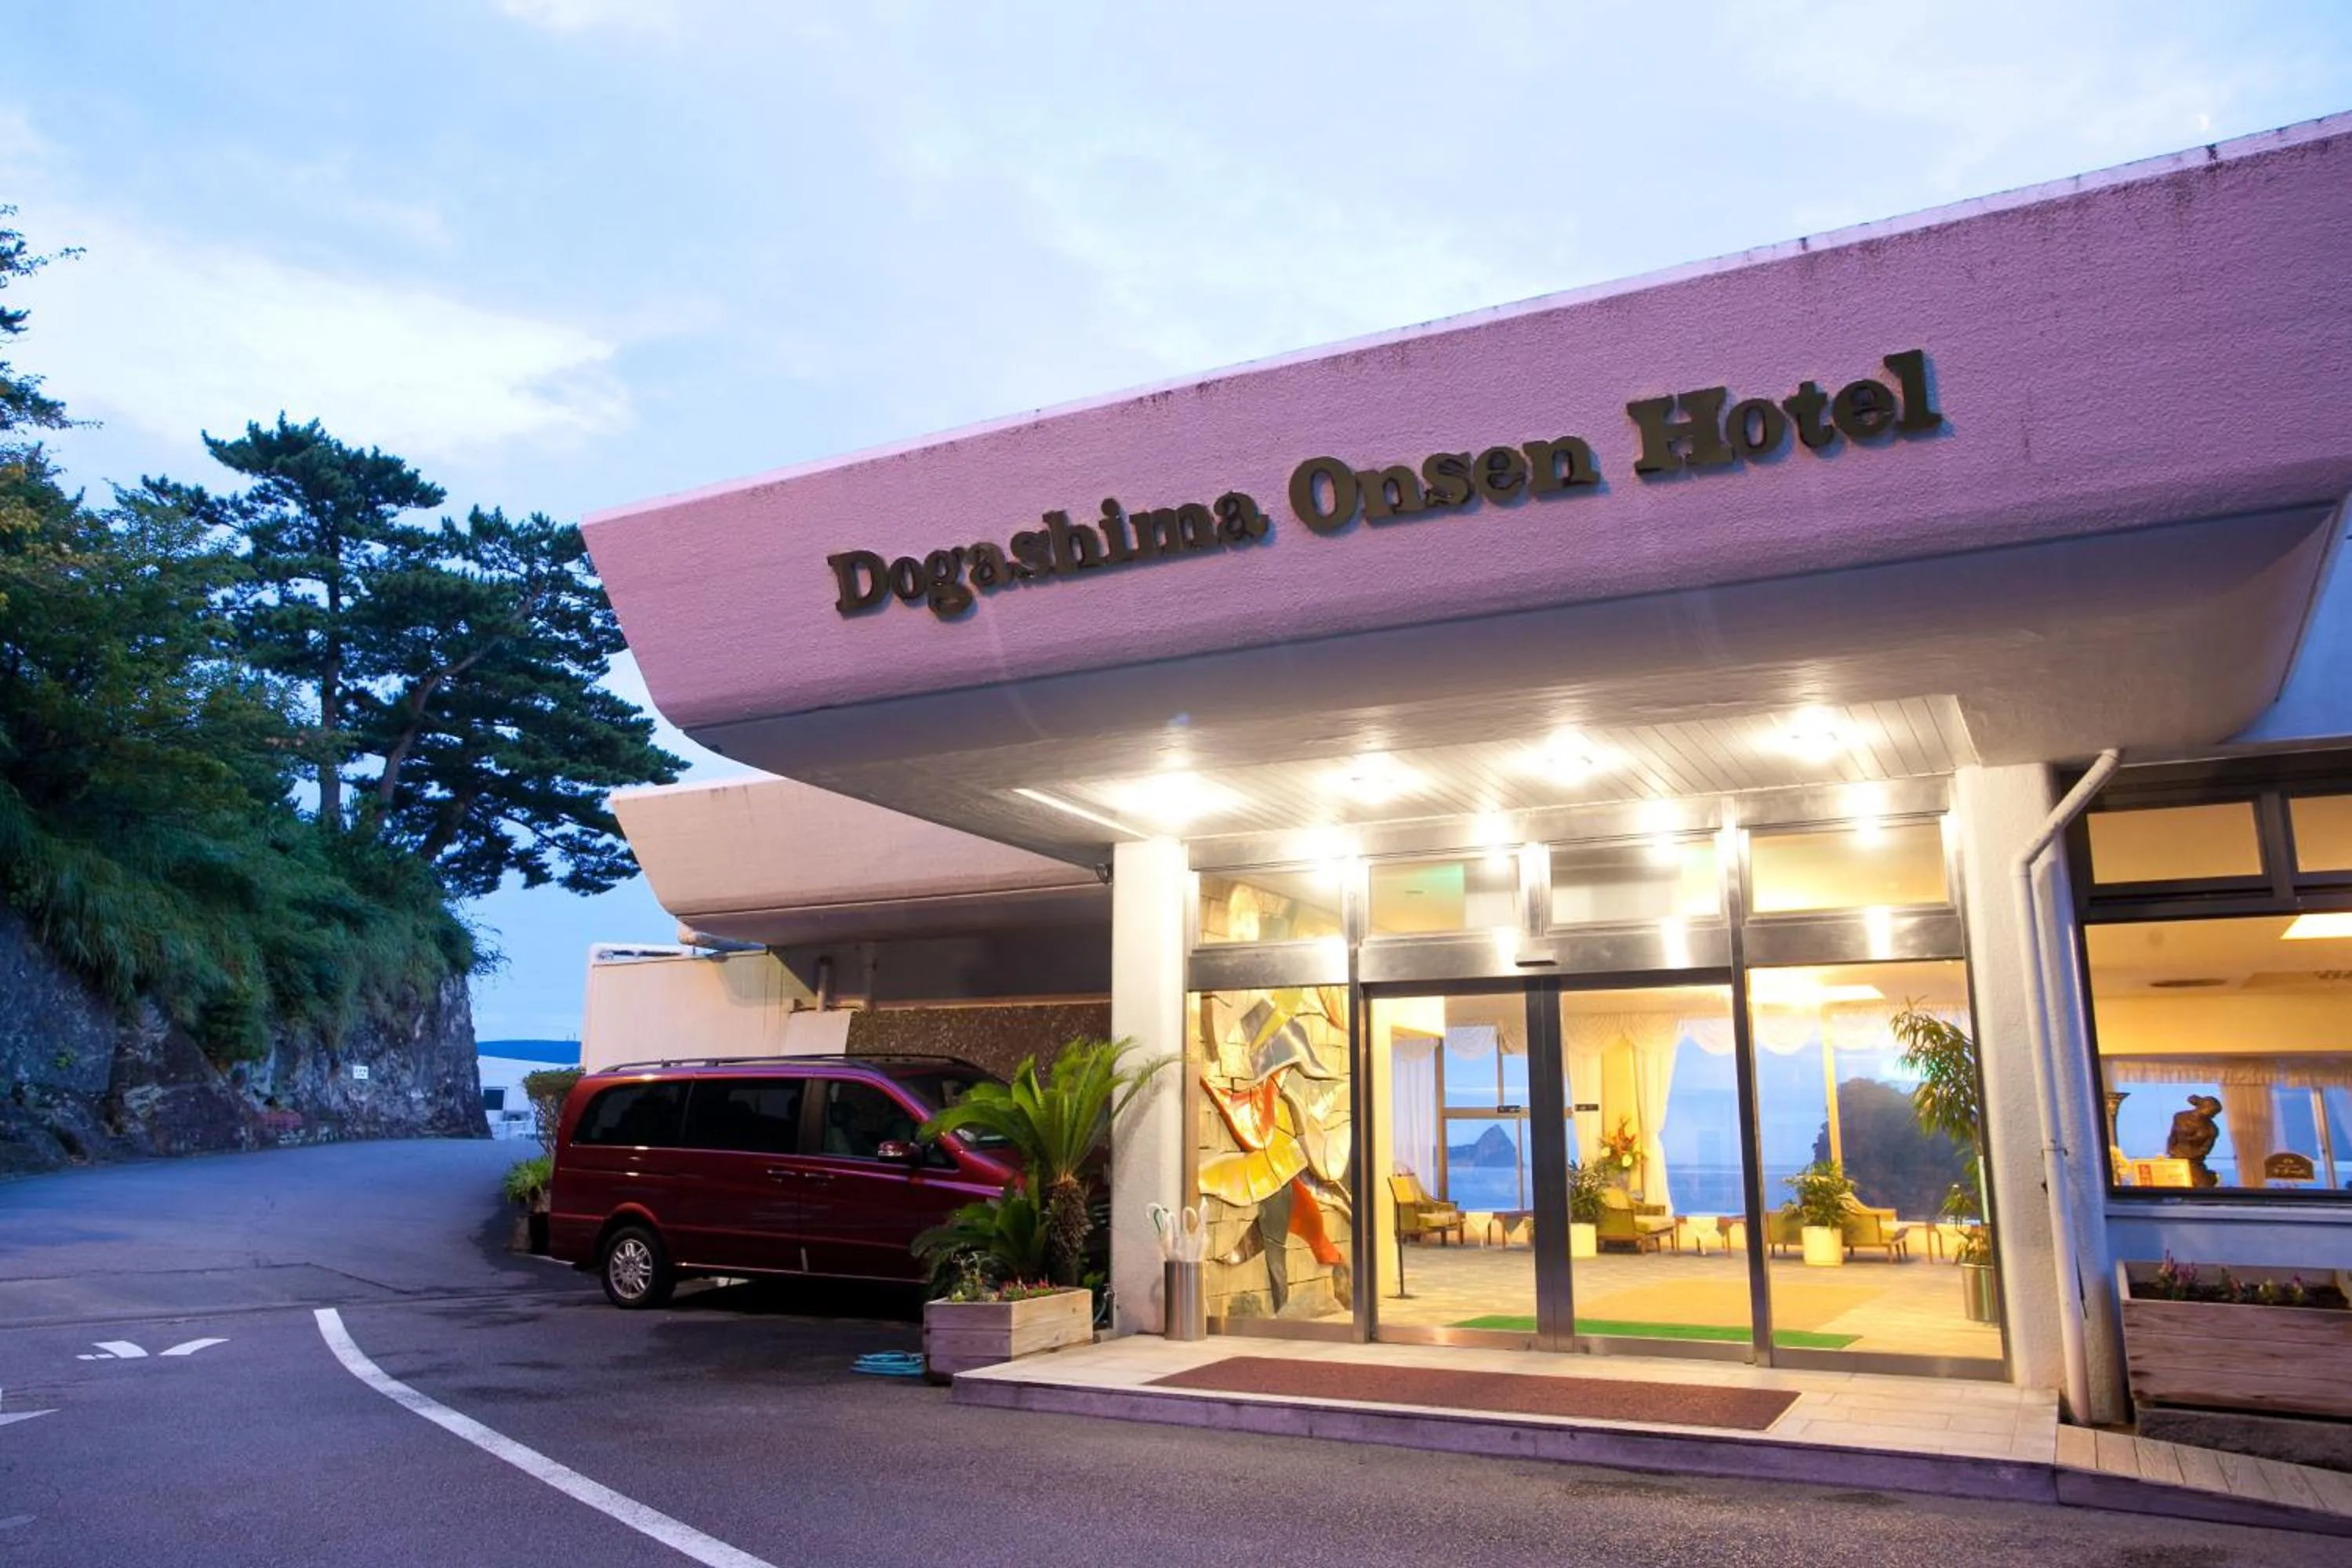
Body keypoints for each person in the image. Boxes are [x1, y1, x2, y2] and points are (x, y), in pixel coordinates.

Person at [2165, 1094, 2225, 1187]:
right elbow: (2173, 1135)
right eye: (2212, 1112)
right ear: (2204, 1108)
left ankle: (2210, 1177)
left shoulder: (2212, 1129)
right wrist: (2170, 1150)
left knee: (2202, 1185)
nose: (2213, 1115)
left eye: (2215, 1113)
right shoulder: (2180, 1117)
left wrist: (2191, 1156)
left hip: (2194, 1161)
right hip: (2175, 1157)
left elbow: (2205, 1149)